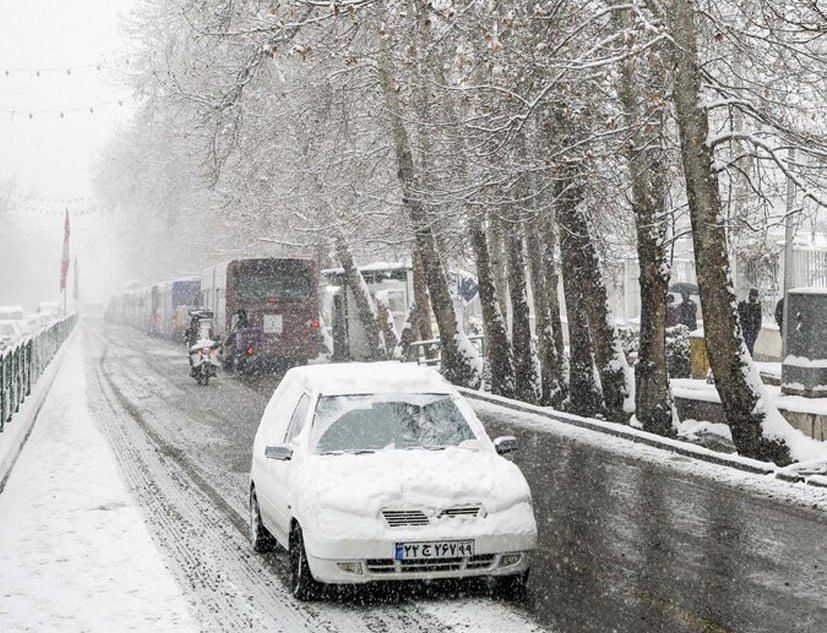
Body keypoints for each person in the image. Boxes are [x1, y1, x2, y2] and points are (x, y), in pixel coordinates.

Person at [737, 288, 762, 356]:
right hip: (745, 329)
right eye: (753, 296)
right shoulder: (743, 305)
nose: (755, 298)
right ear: (750, 295)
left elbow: (759, 318)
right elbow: (740, 317)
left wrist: (757, 329)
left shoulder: (758, 305)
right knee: (746, 347)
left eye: (756, 296)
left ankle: (749, 359)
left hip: (753, 330)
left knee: (750, 347)